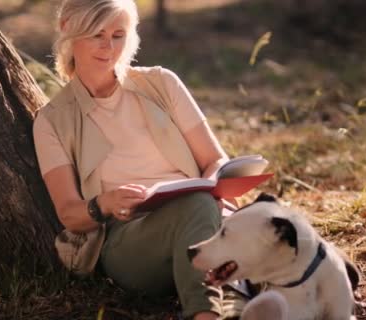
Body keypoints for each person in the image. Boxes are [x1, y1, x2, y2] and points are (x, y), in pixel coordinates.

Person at [32, 1, 243, 319]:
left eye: (118, 35)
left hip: (203, 217)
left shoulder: (162, 83)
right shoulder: (51, 121)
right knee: (199, 207)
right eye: (96, 33)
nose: (108, 47)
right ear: (68, 28)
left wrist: (215, 191)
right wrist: (105, 203)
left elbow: (214, 160)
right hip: (130, 243)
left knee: (271, 226)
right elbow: (69, 213)